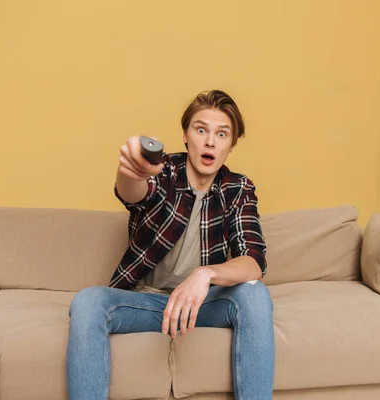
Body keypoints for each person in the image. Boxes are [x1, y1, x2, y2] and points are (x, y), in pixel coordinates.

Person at [66, 90, 275, 400]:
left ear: (231, 145)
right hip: (147, 304)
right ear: (186, 135)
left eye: (222, 134)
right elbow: (134, 193)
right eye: (201, 129)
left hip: (202, 305)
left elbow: (253, 262)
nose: (210, 141)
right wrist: (131, 172)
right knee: (87, 302)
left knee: (254, 294)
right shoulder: (164, 171)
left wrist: (205, 274)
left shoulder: (238, 188)